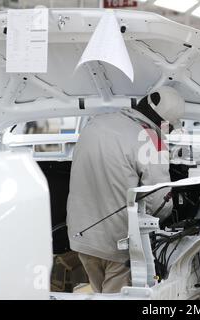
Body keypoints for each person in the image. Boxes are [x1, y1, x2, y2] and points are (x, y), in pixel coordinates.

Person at [66, 86, 185, 293]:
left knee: (99, 292)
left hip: (81, 239)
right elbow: (161, 201)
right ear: (164, 124)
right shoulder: (151, 139)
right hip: (117, 245)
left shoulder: (95, 123)